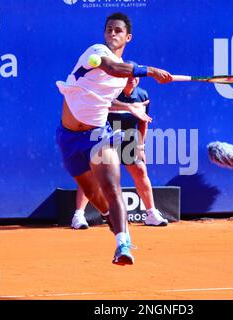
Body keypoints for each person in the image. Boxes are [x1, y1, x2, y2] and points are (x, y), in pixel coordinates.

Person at [55, 12, 172, 265]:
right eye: (109, 29)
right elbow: (113, 68)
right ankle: (110, 217)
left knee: (111, 186)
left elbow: (104, 101)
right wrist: (151, 70)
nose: (112, 34)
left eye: (118, 30)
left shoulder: (121, 82)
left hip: (98, 134)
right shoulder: (97, 52)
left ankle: (123, 244)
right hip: (69, 137)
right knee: (92, 193)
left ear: (127, 37)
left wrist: (129, 108)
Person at [71, 74, 169, 230]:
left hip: (128, 136)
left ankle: (151, 214)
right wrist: (127, 107)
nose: (133, 79)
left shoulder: (142, 95)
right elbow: (101, 106)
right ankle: (78, 215)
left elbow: (143, 121)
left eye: (136, 77)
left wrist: (141, 146)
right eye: (129, 77)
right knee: (91, 174)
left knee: (140, 171)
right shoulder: (111, 91)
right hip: (104, 136)